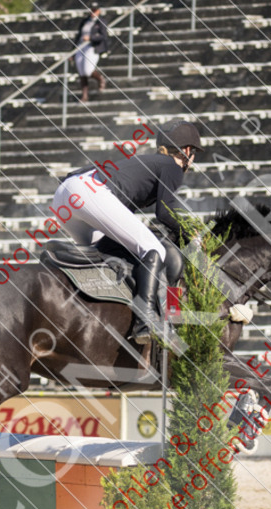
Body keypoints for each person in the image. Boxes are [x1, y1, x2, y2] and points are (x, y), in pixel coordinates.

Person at [51, 120, 201, 342]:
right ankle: (145, 320)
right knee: (153, 248)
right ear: (187, 151)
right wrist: (192, 234)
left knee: (101, 253)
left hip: (65, 196)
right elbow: (165, 213)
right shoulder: (172, 166)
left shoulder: (147, 165)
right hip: (88, 192)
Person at [72, 3, 110, 103]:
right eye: (92, 10)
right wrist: (72, 51)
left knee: (88, 70)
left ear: (99, 11)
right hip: (81, 46)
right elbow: (78, 36)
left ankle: (100, 79)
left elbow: (104, 36)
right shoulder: (85, 21)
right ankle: (85, 96)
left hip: (92, 46)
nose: (93, 12)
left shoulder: (100, 21)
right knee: (81, 72)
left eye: (95, 10)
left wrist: (91, 38)